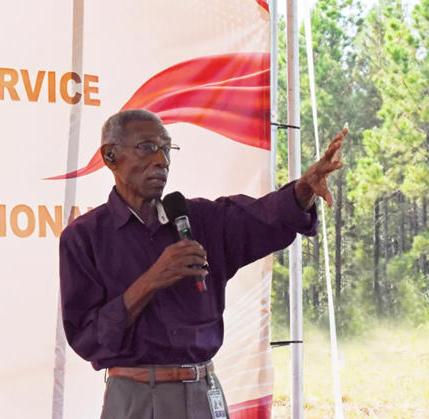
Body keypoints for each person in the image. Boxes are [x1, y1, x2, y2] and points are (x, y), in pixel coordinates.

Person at [59, 109, 346, 419]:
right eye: (147, 147)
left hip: (204, 393)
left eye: (167, 149)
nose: (162, 161)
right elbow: (88, 338)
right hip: (136, 399)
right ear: (111, 156)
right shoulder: (84, 236)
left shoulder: (202, 220)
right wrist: (151, 280)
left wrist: (302, 191)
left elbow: (262, 218)